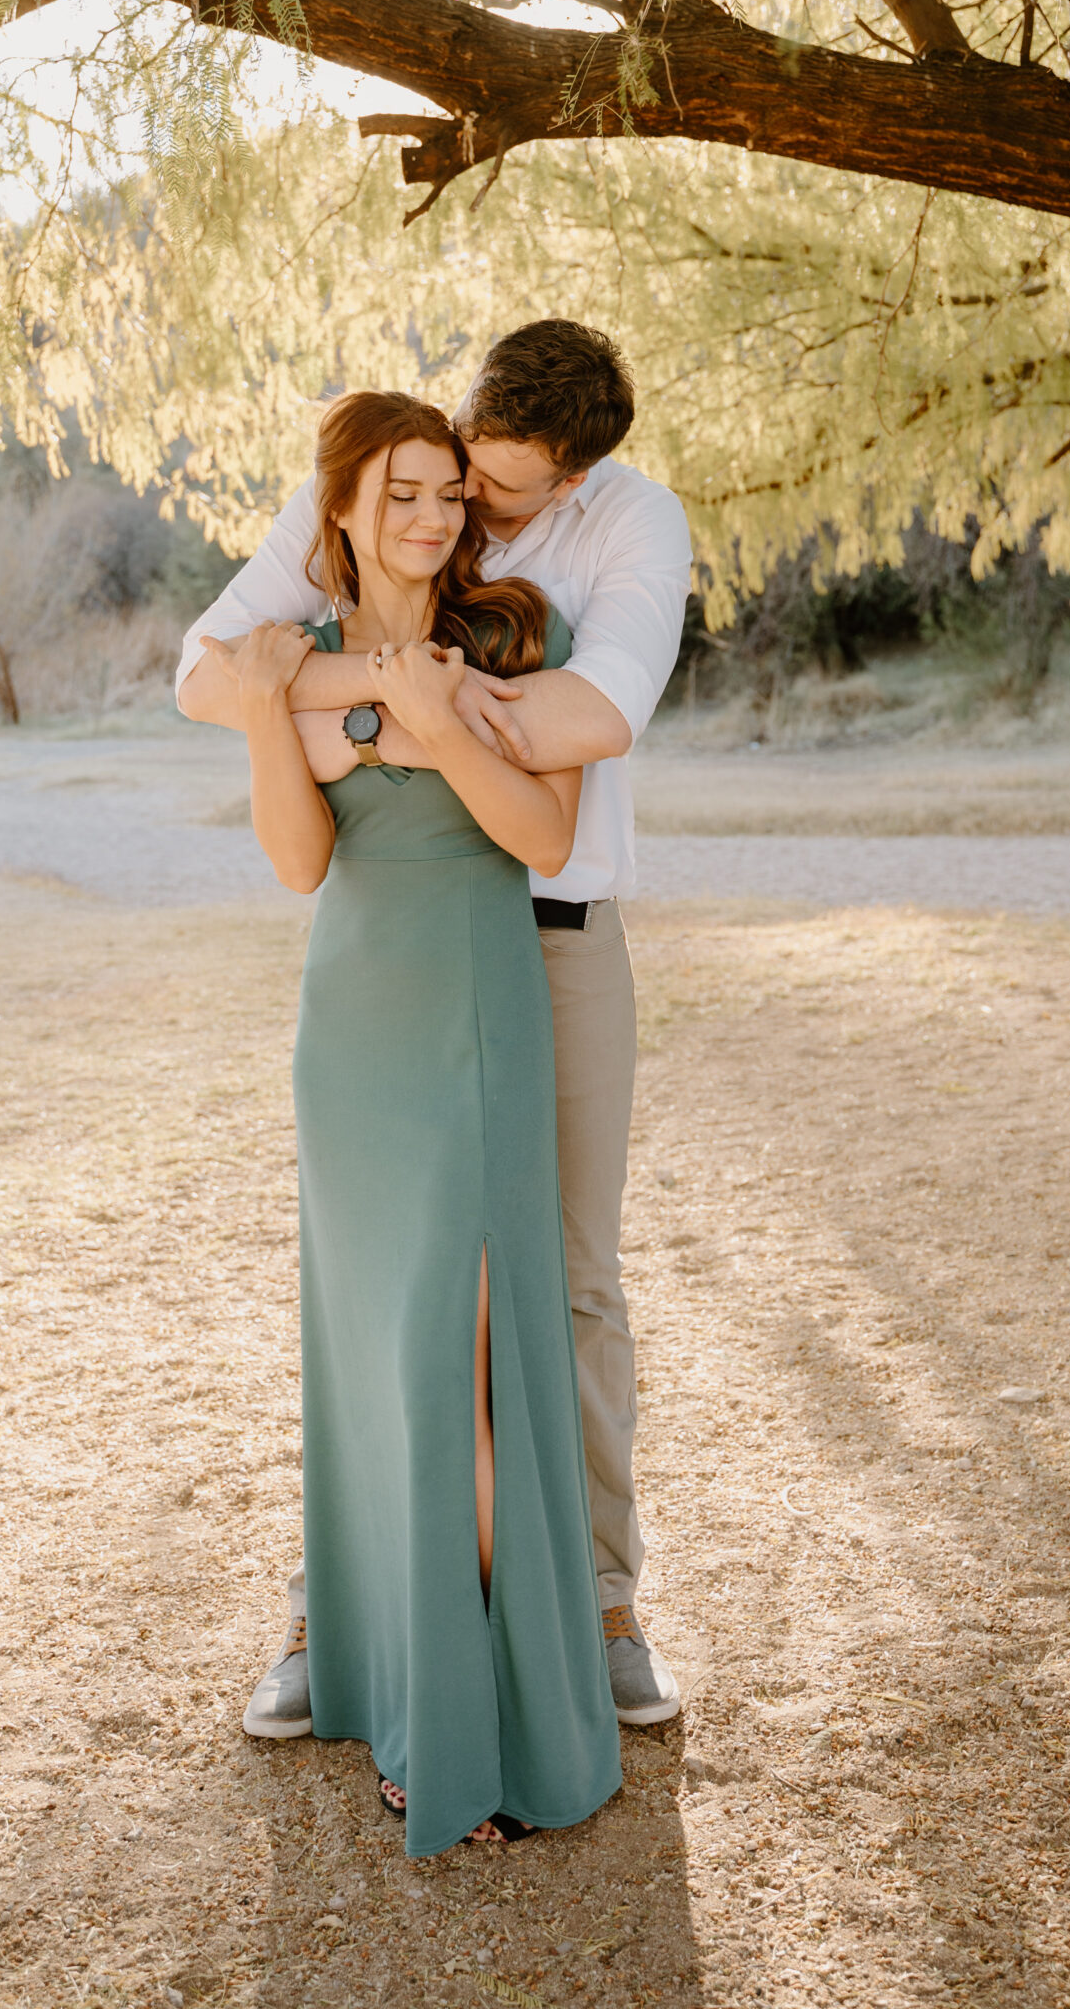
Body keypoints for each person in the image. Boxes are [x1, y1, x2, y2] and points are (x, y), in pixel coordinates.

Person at [177, 320, 692, 1735]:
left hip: (553, 939)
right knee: (378, 1288)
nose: (476, 511)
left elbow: (590, 719)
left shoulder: (634, 531)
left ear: (576, 472)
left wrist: (393, 710)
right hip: (399, 948)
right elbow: (204, 672)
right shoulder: (394, 475)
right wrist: (358, 696)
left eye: (509, 493)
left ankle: (598, 1601)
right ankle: (330, 1609)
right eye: (470, 471)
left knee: (570, 1278)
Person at [235, 388, 621, 1855]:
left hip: (473, 1008)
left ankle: (489, 1720)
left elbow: (543, 836)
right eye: (402, 491)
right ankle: (399, 1685)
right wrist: (299, 705)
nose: (434, 514)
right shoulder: (294, 658)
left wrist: (432, 715)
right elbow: (294, 860)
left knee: (462, 1357)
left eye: (448, 490)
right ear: (337, 506)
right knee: (378, 1365)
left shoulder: (518, 632)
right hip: (351, 1036)